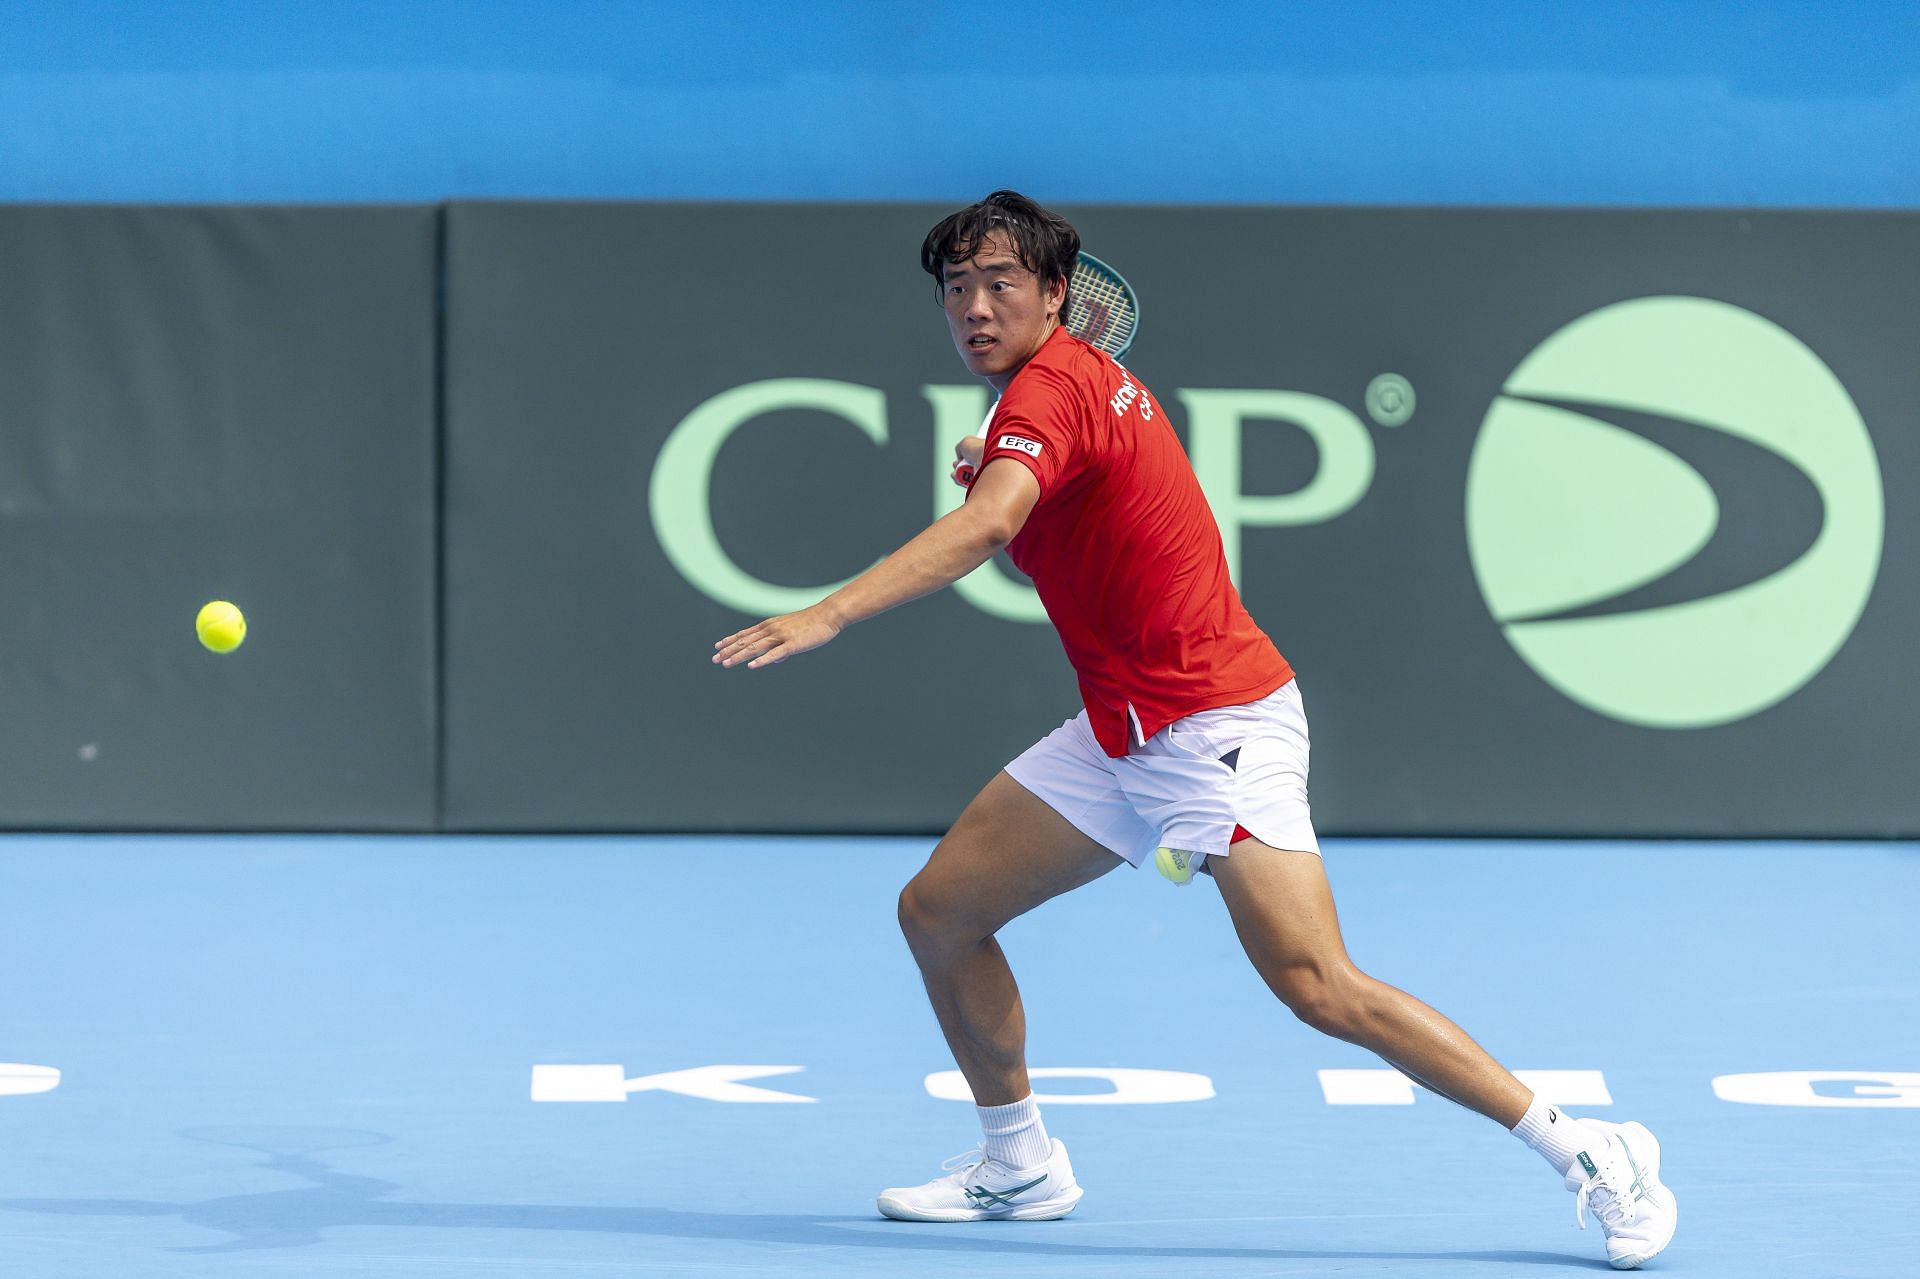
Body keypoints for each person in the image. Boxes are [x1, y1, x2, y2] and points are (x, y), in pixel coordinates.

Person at [713, 190, 1677, 1268]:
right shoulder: (1052, 398)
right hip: (1122, 731)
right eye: (957, 289)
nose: (976, 307)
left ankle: (1588, 1148)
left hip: (1214, 724)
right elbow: (1055, 514)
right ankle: (1018, 1161)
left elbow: (989, 527)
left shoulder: (1054, 389)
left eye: (1002, 285)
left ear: (1057, 297)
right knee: (940, 911)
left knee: (1320, 985)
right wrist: (1008, 482)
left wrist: (829, 610)